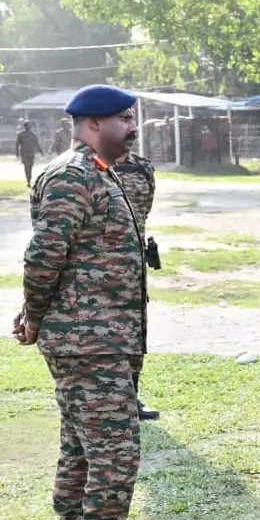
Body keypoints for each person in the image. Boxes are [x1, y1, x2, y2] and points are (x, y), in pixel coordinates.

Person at [12, 84, 159, 520]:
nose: (134, 127)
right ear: (93, 123)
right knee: (115, 454)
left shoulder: (103, 172)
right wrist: (34, 313)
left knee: (79, 453)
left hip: (102, 337)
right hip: (87, 342)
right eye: (125, 118)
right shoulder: (74, 176)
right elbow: (43, 255)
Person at [114, 148, 160, 421]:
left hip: (133, 269)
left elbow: (143, 213)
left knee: (134, 334)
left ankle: (131, 398)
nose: (128, 128)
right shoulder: (83, 170)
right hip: (94, 275)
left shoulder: (142, 168)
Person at [16, 121, 44, 187]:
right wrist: (17, 153)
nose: (29, 127)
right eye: (28, 126)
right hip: (24, 153)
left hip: (31, 153)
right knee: (27, 167)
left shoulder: (33, 135)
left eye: (30, 126)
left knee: (30, 167)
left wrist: (41, 152)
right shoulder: (21, 135)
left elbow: (37, 144)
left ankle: (29, 179)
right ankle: (28, 181)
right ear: (25, 127)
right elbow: (17, 144)